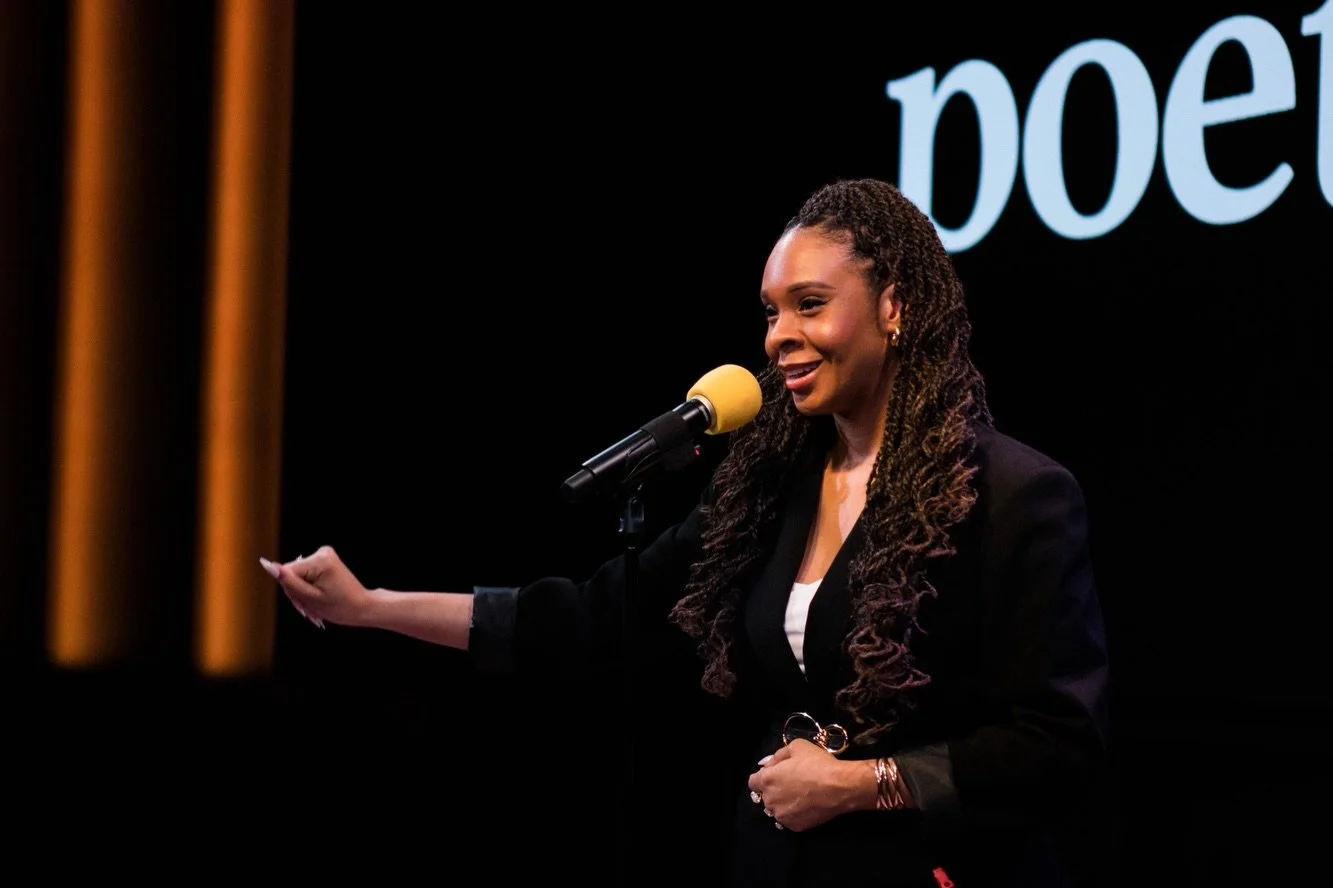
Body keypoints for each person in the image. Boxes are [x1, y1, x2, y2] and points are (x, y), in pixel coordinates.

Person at [261, 178, 1110, 887]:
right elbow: (589, 618)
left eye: (810, 305)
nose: (780, 336)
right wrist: (370, 607)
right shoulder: (769, 491)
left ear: (895, 305)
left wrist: (863, 785)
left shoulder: (1013, 495)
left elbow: (1053, 745)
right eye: (770, 312)